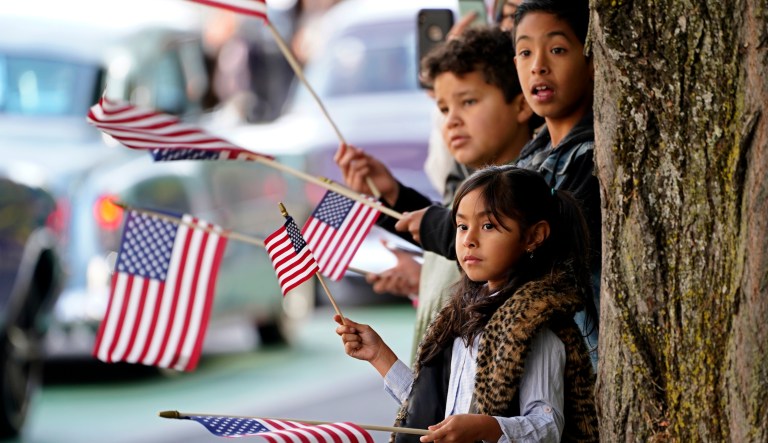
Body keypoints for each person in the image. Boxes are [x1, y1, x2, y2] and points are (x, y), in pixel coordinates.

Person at [394, 0, 601, 365]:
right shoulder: (528, 158)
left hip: (571, 365)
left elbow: (540, 247)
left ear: (592, 60)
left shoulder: (591, 157)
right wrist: (393, 199)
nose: (538, 65)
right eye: (524, 51)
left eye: (556, 49)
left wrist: (439, 227)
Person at [335, 166, 599, 443]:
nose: (469, 240)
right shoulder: (461, 314)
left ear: (533, 236)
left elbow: (546, 425)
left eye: (488, 226)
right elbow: (434, 407)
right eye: (462, 226)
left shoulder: (533, 323)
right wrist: (379, 355)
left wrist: (487, 428)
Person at [334, 26, 541, 355]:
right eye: (444, 109)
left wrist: (433, 224)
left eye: (468, 102)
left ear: (521, 105)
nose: (452, 121)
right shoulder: (463, 182)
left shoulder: (536, 189)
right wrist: (392, 195)